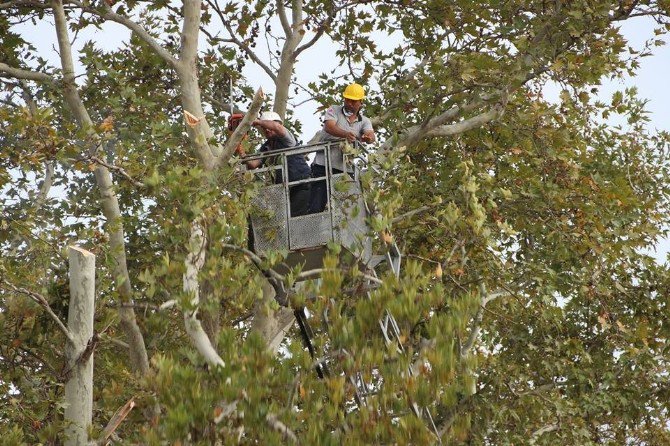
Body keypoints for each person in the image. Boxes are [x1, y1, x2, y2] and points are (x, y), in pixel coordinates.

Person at [309, 82, 375, 213]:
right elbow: (329, 126)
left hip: (345, 169)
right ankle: (314, 228)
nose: (349, 103)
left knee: (344, 209)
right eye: (347, 99)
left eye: (353, 101)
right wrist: (346, 134)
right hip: (323, 166)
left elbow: (371, 135)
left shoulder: (365, 121)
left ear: (360, 103)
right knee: (316, 205)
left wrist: (368, 137)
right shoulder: (334, 109)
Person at [240, 111, 311, 217]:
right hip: (284, 189)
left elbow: (276, 127)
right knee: (283, 218)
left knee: (296, 218)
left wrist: (257, 122)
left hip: (301, 184)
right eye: (264, 128)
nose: (267, 129)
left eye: (269, 126)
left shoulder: (287, 139)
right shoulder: (267, 147)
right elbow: (253, 164)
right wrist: (241, 151)